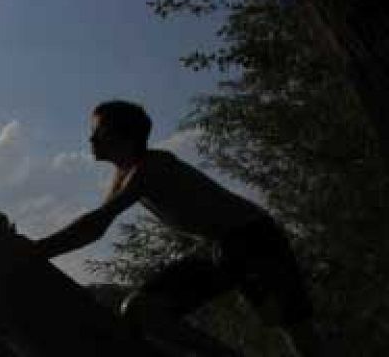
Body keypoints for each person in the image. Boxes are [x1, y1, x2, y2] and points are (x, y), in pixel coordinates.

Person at [32, 100, 323, 356]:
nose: (91, 138)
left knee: (295, 329)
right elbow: (97, 224)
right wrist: (39, 250)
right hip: (221, 245)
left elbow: (96, 223)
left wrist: (38, 250)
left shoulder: (150, 167)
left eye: (99, 131)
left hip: (255, 239)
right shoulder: (126, 173)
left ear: (122, 135)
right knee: (141, 309)